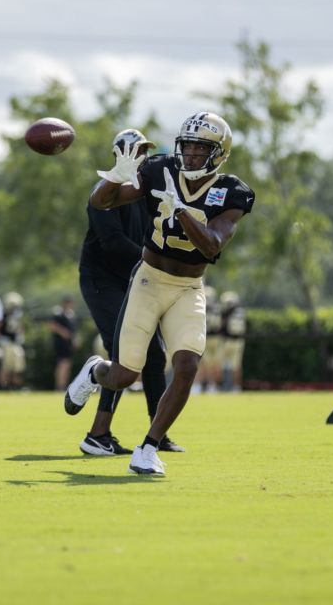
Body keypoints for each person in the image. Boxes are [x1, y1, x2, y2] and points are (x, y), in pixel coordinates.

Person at [64, 112, 254, 475]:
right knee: (123, 375)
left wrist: (182, 211)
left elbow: (212, 246)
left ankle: (148, 447)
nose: (192, 155)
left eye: (202, 149)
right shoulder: (159, 170)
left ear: (219, 153)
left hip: (188, 286)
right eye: (189, 146)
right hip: (149, 280)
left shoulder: (232, 191)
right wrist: (114, 178)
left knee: (187, 364)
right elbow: (103, 203)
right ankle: (94, 371)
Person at [75, 129, 182, 458]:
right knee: (125, 357)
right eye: (133, 151)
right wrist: (156, 259)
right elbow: (114, 243)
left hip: (134, 282)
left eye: (144, 151)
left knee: (154, 357)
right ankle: (98, 434)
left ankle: (157, 433)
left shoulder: (146, 192)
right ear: (118, 155)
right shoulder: (104, 193)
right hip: (101, 281)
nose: (141, 156)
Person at [0, 292, 28, 390]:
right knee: (6, 366)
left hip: (15, 343)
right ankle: (2, 386)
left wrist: (21, 336)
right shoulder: (3, 315)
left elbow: (20, 328)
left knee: (18, 367)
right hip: (6, 343)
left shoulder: (17, 316)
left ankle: (15, 386)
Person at [218, 290, 247, 391]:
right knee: (236, 366)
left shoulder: (226, 312)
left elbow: (221, 326)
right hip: (239, 341)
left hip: (227, 341)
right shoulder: (241, 311)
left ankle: (223, 385)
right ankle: (236, 387)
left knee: (223, 364)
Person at [196, 286, 223, 394]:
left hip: (207, 338)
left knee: (204, 364)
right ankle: (213, 386)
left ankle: (201, 386)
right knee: (214, 364)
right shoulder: (218, 306)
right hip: (217, 339)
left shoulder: (203, 305)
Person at [49, 296, 79, 391]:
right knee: (63, 364)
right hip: (61, 344)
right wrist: (63, 332)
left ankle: (63, 385)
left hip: (68, 345)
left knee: (67, 365)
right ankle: (60, 386)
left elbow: (73, 331)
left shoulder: (71, 315)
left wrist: (74, 340)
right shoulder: (58, 314)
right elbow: (52, 325)